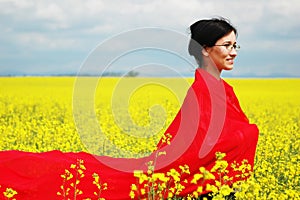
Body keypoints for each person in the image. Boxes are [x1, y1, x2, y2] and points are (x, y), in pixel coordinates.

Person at [0, 17, 259, 199]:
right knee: (83, 176)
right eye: (227, 45)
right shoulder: (202, 91)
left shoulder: (222, 90)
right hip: (174, 177)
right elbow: (197, 151)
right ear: (205, 50)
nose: (233, 52)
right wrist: (249, 133)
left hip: (195, 182)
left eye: (235, 45)